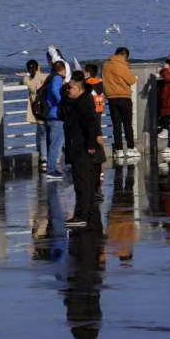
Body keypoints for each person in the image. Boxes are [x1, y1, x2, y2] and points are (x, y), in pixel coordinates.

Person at [62, 75, 99, 229]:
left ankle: (82, 215)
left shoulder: (84, 103)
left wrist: (91, 144)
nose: (68, 90)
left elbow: (92, 124)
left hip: (81, 147)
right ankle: (87, 212)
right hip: (77, 146)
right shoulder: (77, 101)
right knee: (84, 181)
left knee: (82, 182)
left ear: (78, 89)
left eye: (70, 88)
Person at [102, 47, 139, 162]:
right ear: (124, 55)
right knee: (127, 124)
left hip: (112, 98)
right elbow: (132, 80)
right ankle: (131, 148)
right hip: (124, 97)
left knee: (116, 125)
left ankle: (119, 150)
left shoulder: (106, 65)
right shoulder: (121, 64)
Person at [21, 59, 49, 171]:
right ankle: (47, 156)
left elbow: (26, 82)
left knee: (42, 133)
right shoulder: (45, 77)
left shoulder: (27, 79)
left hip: (37, 109)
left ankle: (43, 158)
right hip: (47, 108)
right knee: (46, 133)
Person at [44, 61, 68, 177]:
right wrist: (63, 101)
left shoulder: (49, 77)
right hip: (57, 115)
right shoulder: (57, 78)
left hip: (49, 114)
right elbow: (55, 91)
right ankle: (51, 169)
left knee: (51, 143)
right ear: (62, 69)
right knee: (56, 144)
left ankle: (50, 167)